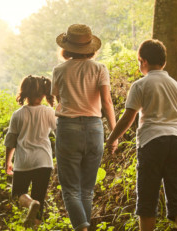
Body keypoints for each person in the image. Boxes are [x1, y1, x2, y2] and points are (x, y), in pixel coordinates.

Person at [105, 39, 177, 231]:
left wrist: (112, 139)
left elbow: (128, 117)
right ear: (164, 62)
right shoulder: (176, 86)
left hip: (152, 143)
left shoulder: (140, 85)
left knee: (147, 202)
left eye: (139, 61)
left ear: (143, 61)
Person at [51, 24, 116, 231]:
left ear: (67, 47)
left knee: (70, 190)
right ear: (91, 47)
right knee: (87, 190)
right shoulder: (100, 68)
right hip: (95, 128)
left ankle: (82, 228)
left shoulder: (59, 70)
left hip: (68, 128)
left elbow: (58, 98)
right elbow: (107, 102)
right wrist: (114, 134)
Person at [4, 75, 57, 227]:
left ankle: (30, 203)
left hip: (23, 161)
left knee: (18, 194)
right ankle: (35, 223)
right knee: (40, 197)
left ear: (25, 93)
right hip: (44, 161)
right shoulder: (48, 112)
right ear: (43, 94)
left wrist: (8, 161)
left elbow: (11, 140)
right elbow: (59, 133)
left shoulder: (18, 114)